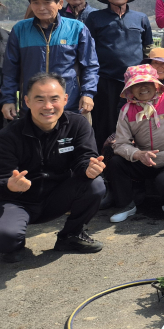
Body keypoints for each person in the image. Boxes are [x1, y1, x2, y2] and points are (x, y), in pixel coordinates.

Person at [0, 73, 106, 263]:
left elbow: (85, 158)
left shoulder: (77, 124)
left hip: (57, 197)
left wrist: (89, 168)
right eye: (40, 99)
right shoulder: (9, 135)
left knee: (95, 184)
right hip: (18, 201)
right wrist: (10, 185)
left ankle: (71, 235)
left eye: (54, 99)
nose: (48, 106)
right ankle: (15, 242)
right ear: (27, 101)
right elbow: (3, 177)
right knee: (6, 238)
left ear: (65, 99)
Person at [105, 65, 164, 223]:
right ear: (130, 89)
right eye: (137, 85)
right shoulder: (126, 110)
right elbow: (121, 144)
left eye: (147, 83)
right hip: (144, 159)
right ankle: (126, 205)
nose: (143, 88)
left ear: (156, 84)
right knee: (116, 163)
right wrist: (138, 154)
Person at [1, 0, 99, 119]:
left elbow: (90, 66)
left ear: (60, 4)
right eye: (35, 2)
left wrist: (88, 93)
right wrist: (8, 99)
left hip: (70, 105)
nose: (41, 7)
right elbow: (10, 69)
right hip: (32, 106)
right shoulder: (20, 30)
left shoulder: (76, 28)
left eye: (47, 2)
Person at [85, 0, 153, 151]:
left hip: (134, 83)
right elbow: (87, 49)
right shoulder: (95, 18)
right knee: (104, 123)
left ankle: (134, 157)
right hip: (105, 80)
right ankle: (103, 160)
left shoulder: (141, 18)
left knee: (135, 121)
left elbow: (147, 49)